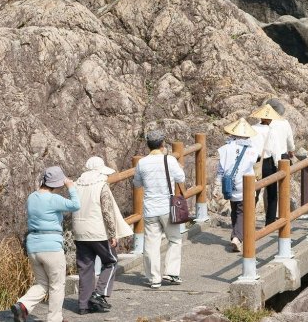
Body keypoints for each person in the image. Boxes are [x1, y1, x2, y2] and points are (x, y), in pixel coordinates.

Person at [11, 167, 80, 322]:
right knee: (57, 285)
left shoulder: (31, 197)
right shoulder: (54, 199)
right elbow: (76, 205)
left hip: (33, 246)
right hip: (51, 247)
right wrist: (71, 188)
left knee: (42, 283)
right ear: (56, 183)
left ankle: (23, 305)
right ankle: (54, 319)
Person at [71, 156, 132, 315]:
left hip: (80, 231)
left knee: (85, 268)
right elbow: (107, 211)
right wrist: (113, 233)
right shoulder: (101, 185)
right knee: (111, 261)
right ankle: (98, 294)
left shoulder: (76, 184)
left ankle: (83, 306)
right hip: (98, 231)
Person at [132, 130, 186, 289]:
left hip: (150, 209)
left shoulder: (142, 163)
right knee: (175, 239)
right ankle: (171, 272)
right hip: (167, 207)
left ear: (148, 145)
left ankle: (154, 278)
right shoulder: (169, 160)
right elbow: (181, 178)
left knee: (151, 244)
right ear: (163, 144)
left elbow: (137, 184)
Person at [216, 119, 261, 252]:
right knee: (243, 211)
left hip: (229, 183)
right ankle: (237, 237)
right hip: (245, 183)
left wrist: (217, 183)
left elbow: (220, 169)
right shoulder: (251, 149)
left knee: (235, 208)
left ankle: (236, 235)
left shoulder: (225, 148)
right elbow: (256, 159)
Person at [251, 101, 295, 226]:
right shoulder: (280, 126)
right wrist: (278, 165)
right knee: (272, 193)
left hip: (256, 162)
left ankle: (249, 220)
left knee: (254, 192)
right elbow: (279, 149)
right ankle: (270, 222)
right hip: (271, 162)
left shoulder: (253, 128)